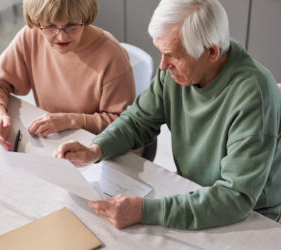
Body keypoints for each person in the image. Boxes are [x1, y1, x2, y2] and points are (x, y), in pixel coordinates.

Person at [54, 0, 281, 230]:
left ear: (211, 51)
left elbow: (235, 197)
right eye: (161, 52)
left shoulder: (254, 95)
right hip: (192, 191)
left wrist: (145, 211)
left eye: (173, 55)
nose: (162, 66)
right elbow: (138, 120)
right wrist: (96, 150)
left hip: (250, 217)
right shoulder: (178, 73)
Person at [0, 0, 135, 151]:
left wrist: (72, 120)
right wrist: (0, 115)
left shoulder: (111, 55)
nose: (61, 37)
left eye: (71, 25)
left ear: (85, 17)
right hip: (53, 142)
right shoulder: (31, 36)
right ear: (37, 21)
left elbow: (125, 123)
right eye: (51, 26)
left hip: (97, 148)